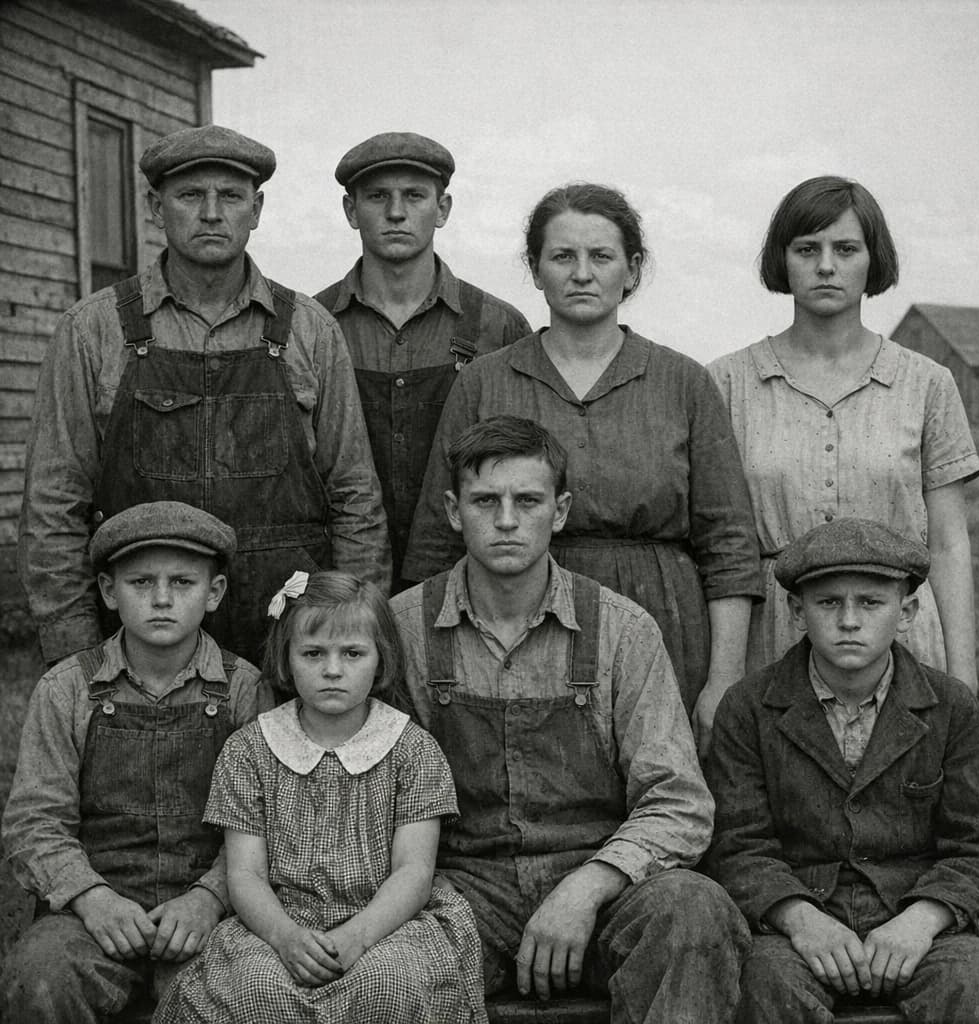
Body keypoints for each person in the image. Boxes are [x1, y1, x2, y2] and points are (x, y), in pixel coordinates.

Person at [391, 416, 750, 1023]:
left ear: (559, 512)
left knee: (695, 914)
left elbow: (680, 802)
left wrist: (587, 886)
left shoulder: (622, 629)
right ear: (454, 511)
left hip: (605, 882)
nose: (506, 520)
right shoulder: (402, 630)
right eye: (486, 501)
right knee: (393, 969)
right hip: (458, 888)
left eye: (527, 501)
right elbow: (373, 796)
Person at [19, 123, 389, 669]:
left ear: (257, 209)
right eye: (191, 195)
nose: (212, 213)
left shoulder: (309, 330)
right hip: (138, 655)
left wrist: (345, 641)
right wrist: (80, 658)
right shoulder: (90, 331)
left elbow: (356, 499)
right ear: (155, 206)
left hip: (287, 650)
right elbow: (52, 508)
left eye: (231, 197)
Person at [403, 183, 760, 748]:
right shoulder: (485, 381)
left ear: (632, 268)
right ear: (536, 268)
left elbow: (730, 543)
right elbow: (434, 540)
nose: (582, 273)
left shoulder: (683, 381)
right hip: (514, 624)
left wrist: (723, 680)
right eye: (563, 256)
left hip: (664, 619)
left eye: (602, 256)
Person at [705, 517, 979, 1024]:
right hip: (799, 924)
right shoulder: (748, 707)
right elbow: (736, 845)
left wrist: (923, 920)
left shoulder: (949, 706)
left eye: (870, 603)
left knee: (972, 979)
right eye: (828, 603)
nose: (848, 621)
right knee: (763, 985)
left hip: (920, 922)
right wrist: (798, 918)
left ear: (908, 611)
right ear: (796, 609)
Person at [154, 571, 486, 1024]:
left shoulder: (410, 748)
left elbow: (414, 871)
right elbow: (247, 874)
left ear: (381, 658)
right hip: (279, 922)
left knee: (391, 981)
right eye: (313, 654)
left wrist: (358, 937)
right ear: (287, 661)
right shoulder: (251, 749)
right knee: (256, 984)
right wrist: (285, 936)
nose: (333, 670)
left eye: (352, 653)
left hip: (385, 924)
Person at [0, 501, 271, 1024]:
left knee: (250, 988)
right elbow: (35, 821)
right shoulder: (67, 690)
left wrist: (210, 898)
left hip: (210, 908)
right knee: (37, 976)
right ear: (108, 590)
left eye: (183, 583)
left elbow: (269, 817)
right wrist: (90, 896)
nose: (162, 599)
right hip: (93, 909)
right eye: (141, 583)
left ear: (213, 593)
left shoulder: (245, 691)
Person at [708, 175, 979, 689]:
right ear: (781, 259)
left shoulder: (927, 383)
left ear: (873, 259)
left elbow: (948, 543)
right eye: (807, 248)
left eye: (846, 248)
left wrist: (962, 678)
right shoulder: (725, 383)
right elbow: (716, 544)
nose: (826, 266)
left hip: (899, 636)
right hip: (771, 639)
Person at [314, 132, 530, 588]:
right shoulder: (310, 326)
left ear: (443, 209)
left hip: (466, 580)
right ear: (351, 211)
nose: (396, 213)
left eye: (414, 196)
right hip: (338, 580)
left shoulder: (497, 325)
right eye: (377, 197)